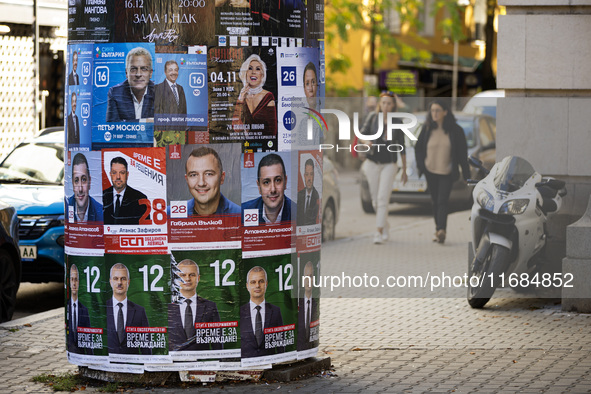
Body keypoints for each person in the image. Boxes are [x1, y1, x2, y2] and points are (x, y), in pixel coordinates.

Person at [415, 99, 470, 244]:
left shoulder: (456, 130)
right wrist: (421, 166)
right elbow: (418, 148)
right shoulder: (427, 129)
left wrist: (466, 174)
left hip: (447, 171)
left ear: (445, 112)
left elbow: (462, 153)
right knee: (435, 201)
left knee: (442, 200)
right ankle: (438, 229)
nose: (434, 113)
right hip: (430, 170)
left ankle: (441, 230)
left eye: (437, 110)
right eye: (432, 110)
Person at [360, 91, 407, 244]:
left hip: (389, 164)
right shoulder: (373, 118)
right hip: (372, 163)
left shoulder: (398, 122)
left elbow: (402, 147)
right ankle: (385, 225)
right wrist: (366, 142)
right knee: (375, 201)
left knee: (382, 198)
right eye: (384, 103)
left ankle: (378, 232)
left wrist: (404, 170)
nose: (386, 106)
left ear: (393, 106)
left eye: (389, 103)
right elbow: (361, 134)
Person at [168, 259, 222, 352]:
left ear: (198, 278)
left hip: (203, 364)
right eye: (183, 275)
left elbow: (217, 343)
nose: (187, 279)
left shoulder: (210, 307)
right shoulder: (167, 307)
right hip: (174, 364)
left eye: (192, 275)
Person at [106, 263, 151, 355]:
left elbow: (146, 346)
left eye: (123, 279)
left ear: (128, 282)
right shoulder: (102, 309)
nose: (119, 282)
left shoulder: (139, 311)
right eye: (116, 278)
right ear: (110, 282)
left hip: (133, 365)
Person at [240, 266, 284, 358]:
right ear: (247, 286)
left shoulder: (276, 311)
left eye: (261, 281)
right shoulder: (239, 312)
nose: (257, 286)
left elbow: (281, 342)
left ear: (266, 284)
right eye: (253, 282)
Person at [184, 147, 240, 216]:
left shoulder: (239, 214)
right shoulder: (170, 214)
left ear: (222, 178)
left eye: (209, 174)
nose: (201, 183)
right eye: (193, 175)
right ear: (187, 179)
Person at [242, 153, 295, 225]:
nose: (273, 189)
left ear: (285, 182)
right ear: (259, 186)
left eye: (277, 180)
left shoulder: (299, 213)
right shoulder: (243, 212)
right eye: (266, 182)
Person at [232, 54, 277, 137]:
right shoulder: (242, 97)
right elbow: (236, 127)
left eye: (258, 69)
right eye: (250, 68)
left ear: (262, 75)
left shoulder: (268, 96)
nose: (253, 72)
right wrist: (241, 99)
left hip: (264, 145)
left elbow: (273, 131)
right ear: (245, 73)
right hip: (246, 146)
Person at [106, 47, 155, 122]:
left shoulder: (159, 92)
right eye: (133, 69)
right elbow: (113, 128)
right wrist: (146, 122)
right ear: (126, 73)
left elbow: (163, 126)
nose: (138, 74)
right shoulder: (115, 93)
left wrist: (127, 123)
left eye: (144, 69)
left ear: (150, 73)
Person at [103, 156, 149, 225]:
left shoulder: (140, 198)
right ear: (110, 174)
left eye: (122, 172)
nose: (118, 177)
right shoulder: (102, 196)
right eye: (114, 172)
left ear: (127, 174)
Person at [65, 153, 103, 223]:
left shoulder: (101, 213)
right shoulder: (66, 208)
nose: (80, 189)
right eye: (76, 181)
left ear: (90, 181)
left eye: (83, 180)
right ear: (72, 184)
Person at [154, 60, 187, 129]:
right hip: (165, 132)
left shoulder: (180, 89)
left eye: (176, 70)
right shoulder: (158, 88)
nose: (174, 73)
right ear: (165, 72)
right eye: (170, 70)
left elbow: (184, 113)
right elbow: (157, 114)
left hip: (179, 132)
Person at [67, 264, 92, 354]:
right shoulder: (67, 307)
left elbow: (89, 341)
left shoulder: (84, 310)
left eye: (76, 280)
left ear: (79, 282)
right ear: (69, 281)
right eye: (72, 279)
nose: (74, 283)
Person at [297, 260, 319, 351]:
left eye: (311, 276)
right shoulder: (296, 304)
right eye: (306, 277)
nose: (308, 280)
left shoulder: (315, 304)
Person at [296, 158, 319, 226]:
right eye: (307, 174)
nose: (309, 178)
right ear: (304, 176)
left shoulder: (316, 195)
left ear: (314, 176)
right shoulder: (299, 195)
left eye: (311, 174)